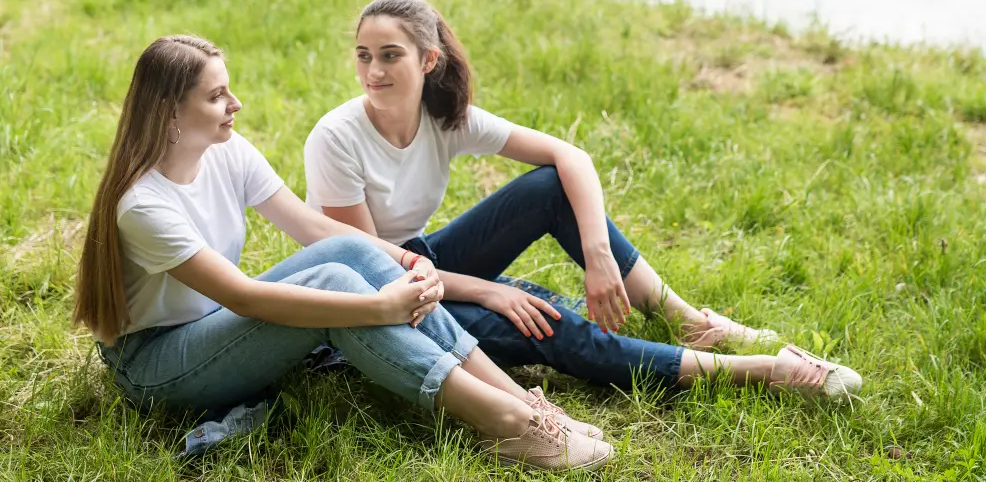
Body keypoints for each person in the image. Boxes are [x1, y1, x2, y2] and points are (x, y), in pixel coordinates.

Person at [72, 35, 614, 472]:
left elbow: (313, 226)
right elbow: (243, 296)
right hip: (156, 365)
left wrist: (401, 262)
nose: (235, 104)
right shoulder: (142, 205)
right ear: (169, 112)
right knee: (336, 283)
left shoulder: (227, 150)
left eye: (228, 90)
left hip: (214, 326)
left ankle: (521, 402)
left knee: (350, 254)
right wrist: (378, 308)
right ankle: (501, 422)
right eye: (216, 96)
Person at [303, 0, 863, 401]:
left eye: (390, 55)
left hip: (421, 264)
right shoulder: (336, 138)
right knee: (545, 323)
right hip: (372, 307)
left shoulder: (445, 118)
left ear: (428, 60)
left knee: (550, 187)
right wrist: (491, 294)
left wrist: (597, 255)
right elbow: (371, 265)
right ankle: (763, 371)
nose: (373, 71)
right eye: (363, 55)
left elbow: (571, 158)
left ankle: (690, 321)